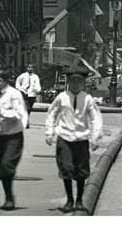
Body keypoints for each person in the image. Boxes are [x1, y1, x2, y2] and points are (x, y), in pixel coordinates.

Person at [45, 64, 103, 214]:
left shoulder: (88, 99)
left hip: (81, 139)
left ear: (83, 83)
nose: (75, 84)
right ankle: (69, 200)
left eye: (79, 81)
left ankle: (79, 200)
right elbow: (52, 114)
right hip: (64, 138)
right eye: (72, 81)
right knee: (66, 168)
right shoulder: (62, 98)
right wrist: (49, 132)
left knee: (81, 171)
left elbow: (96, 118)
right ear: (68, 82)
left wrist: (95, 137)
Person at [0, 65, 28, 210]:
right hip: (0, 134)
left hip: (13, 135)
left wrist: (0, 111)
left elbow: (20, 115)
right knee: (0, 166)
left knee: (6, 166)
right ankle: (5, 178)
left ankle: (9, 198)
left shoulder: (14, 94)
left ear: (0, 80)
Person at [15, 64, 42, 128]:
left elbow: (38, 84)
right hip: (24, 92)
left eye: (31, 67)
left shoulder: (35, 76)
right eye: (29, 67)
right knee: (27, 107)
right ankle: (26, 122)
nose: (30, 69)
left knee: (29, 109)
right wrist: (19, 88)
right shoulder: (23, 75)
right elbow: (17, 82)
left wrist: (38, 89)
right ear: (27, 68)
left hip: (32, 94)